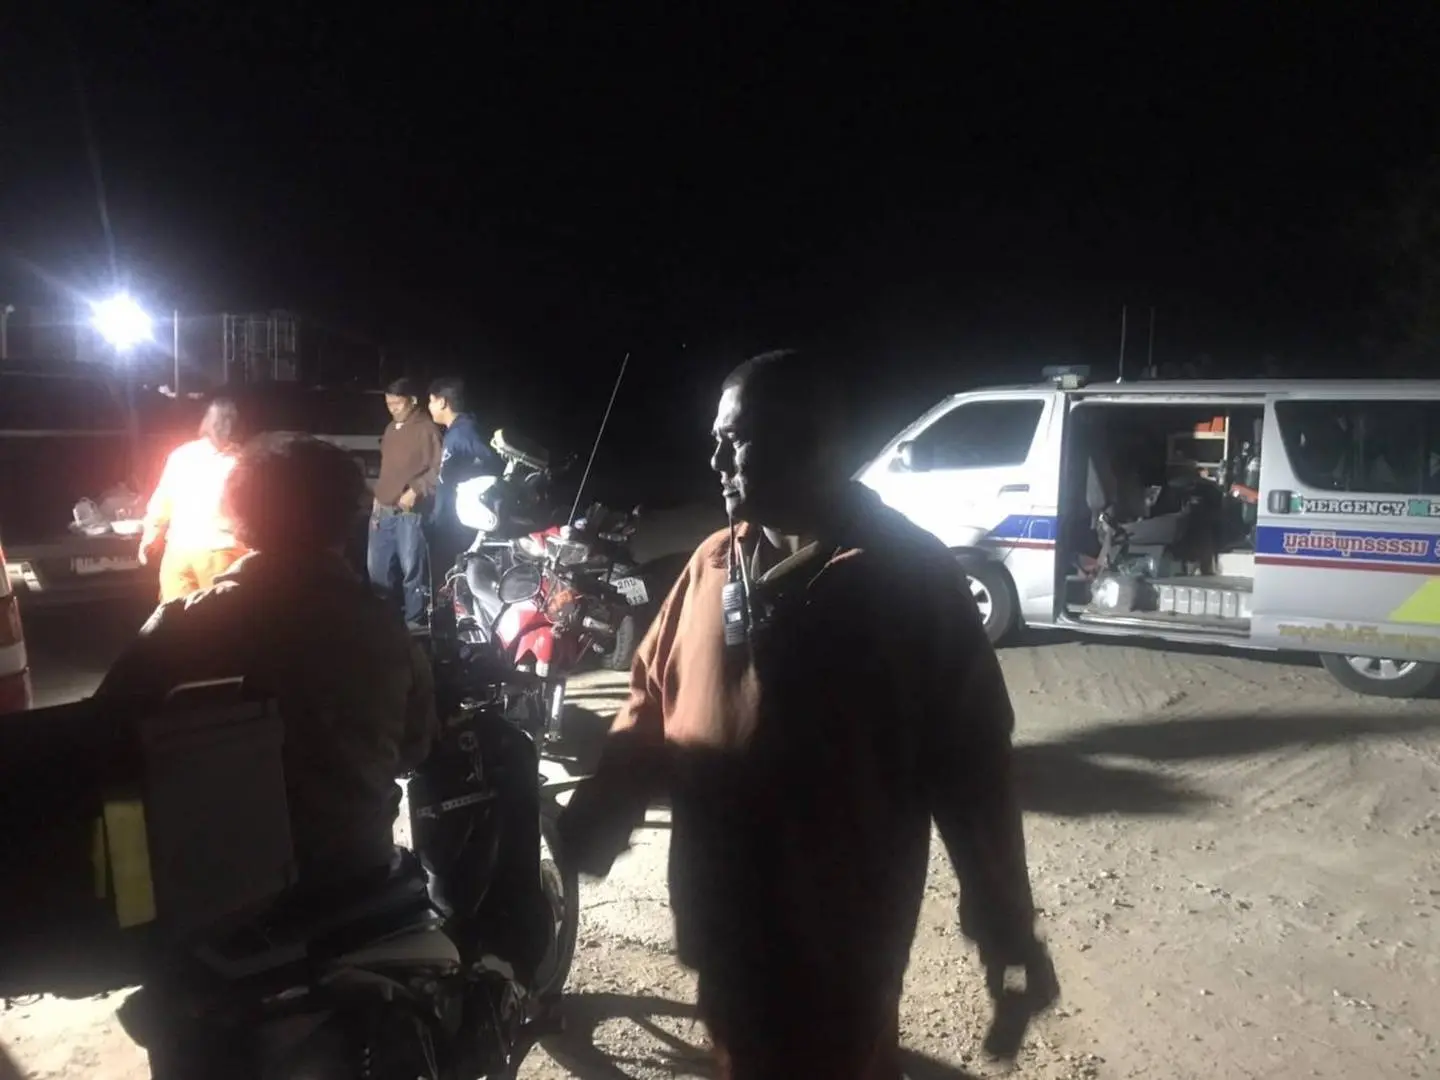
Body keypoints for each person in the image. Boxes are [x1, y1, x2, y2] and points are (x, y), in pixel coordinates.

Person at [558, 350, 1056, 1079]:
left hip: (839, 944)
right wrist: (604, 808)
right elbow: (650, 704)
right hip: (721, 920)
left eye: (737, 439)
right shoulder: (712, 564)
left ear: (813, 441)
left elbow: (973, 771)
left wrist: (1005, 924)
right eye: (716, 439)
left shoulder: (908, 580)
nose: (715, 459)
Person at [99, 432, 438, 885]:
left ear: (241, 517)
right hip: (354, 870)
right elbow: (414, 747)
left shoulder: (185, 626)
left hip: (214, 888)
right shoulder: (385, 628)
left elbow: (105, 733)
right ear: (345, 518)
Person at [140, 397, 247, 603]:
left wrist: (151, 536)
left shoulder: (182, 455)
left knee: (175, 617)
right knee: (219, 618)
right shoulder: (242, 461)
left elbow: (161, 502)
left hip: (180, 554)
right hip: (222, 555)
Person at [426, 376, 500, 629]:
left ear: (442, 402)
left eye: (431, 401)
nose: (429, 406)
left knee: (455, 581)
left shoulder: (465, 432)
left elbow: (494, 463)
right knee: (447, 582)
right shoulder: (454, 432)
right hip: (446, 522)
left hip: (458, 527)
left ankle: (464, 632)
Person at [368, 377, 443, 628]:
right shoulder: (391, 429)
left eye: (397, 404)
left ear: (412, 401)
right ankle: (384, 622)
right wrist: (377, 499)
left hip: (410, 514)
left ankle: (415, 625)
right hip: (382, 511)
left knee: (413, 572)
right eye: (388, 404)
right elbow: (387, 469)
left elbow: (439, 469)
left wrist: (417, 489)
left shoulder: (427, 430)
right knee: (378, 572)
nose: (392, 409)